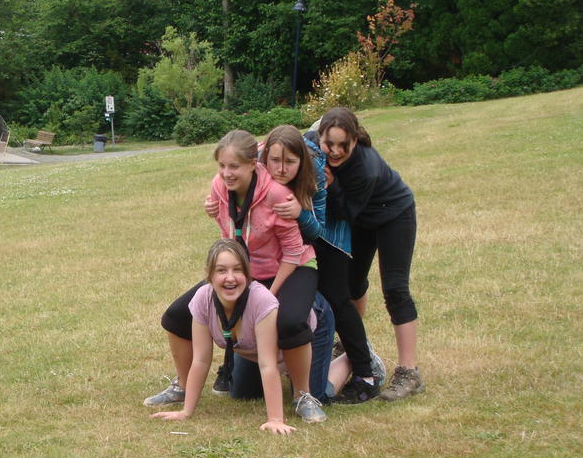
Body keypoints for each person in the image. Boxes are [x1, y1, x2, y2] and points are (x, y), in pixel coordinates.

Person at [146, 129, 326, 423]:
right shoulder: (219, 186)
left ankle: (302, 395)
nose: (227, 173)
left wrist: (269, 296)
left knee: (289, 321)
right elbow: (228, 233)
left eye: (234, 166)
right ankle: (182, 385)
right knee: (176, 316)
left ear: (253, 164)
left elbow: (294, 251)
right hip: (245, 271)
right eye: (222, 166)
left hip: (291, 267)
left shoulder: (277, 194)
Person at [261, 124, 386, 403]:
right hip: (285, 237)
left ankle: (365, 370)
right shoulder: (261, 159)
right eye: (275, 160)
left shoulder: (315, 168)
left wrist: (299, 212)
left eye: (289, 161)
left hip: (327, 233)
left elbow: (316, 228)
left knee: (336, 298)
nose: (280, 168)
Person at [316, 107, 423, 401]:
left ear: (355, 139)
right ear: (319, 136)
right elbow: (289, 146)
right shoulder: (312, 141)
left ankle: (409, 372)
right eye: (329, 144)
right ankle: (351, 344)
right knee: (350, 284)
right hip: (362, 218)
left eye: (344, 145)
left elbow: (345, 212)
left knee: (395, 289)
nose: (335, 151)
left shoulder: (366, 168)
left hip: (394, 215)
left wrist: (332, 185)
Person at [150, 240, 296, 435]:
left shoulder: (261, 300)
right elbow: (201, 360)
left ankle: (337, 363)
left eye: (237, 269)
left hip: (299, 346)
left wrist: (275, 420)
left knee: (320, 393)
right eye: (221, 270)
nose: (230, 278)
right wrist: (186, 411)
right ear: (209, 274)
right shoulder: (203, 298)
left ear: (247, 273)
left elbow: (267, 364)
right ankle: (285, 374)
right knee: (241, 392)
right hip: (257, 355)